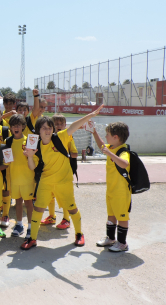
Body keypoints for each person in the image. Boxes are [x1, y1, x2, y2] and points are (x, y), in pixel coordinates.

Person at [21, 105, 104, 250]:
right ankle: (32, 238)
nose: (47, 130)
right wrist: (29, 156)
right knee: (38, 209)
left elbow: (75, 125)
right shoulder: (35, 145)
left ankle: (79, 234)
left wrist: (90, 115)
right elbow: (32, 167)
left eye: (50, 127)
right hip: (46, 181)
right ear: (38, 131)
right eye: (44, 128)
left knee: (72, 209)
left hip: (64, 181)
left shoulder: (60, 137)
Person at [92, 122, 131, 252]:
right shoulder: (112, 147)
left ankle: (122, 243)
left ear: (116, 137)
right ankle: (110, 238)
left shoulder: (123, 151)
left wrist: (109, 153)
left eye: (107, 135)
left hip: (121, 192)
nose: (105, 136)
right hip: (111, 190)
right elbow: (101, 145)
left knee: (122, 217)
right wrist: (94, 132)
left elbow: (124, 164)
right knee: (111, 215)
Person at [40, 114, 79, 229]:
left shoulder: (68, 137)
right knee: (50, 196)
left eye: (61, 123)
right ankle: (52, 216)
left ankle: (66, 219)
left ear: (65, 125)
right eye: (56, 124)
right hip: (51, 172)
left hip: (63, 172)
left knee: (64, 197)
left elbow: (75, 153)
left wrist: (63, 154)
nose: (59, 126)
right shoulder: (48, 138)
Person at [6, 114, 35, 238]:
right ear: (10, 128)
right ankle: (19, 224)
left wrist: (29, 155)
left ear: (23, 126)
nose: (15, 128)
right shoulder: (8, 141)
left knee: (28, 203)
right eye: (13, 126)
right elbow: (6, 159)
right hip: (14, 178)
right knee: (17, 202)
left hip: (27, 178)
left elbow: (34, 160)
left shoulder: (30, 140)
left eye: (18, 125)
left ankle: (30, 227)